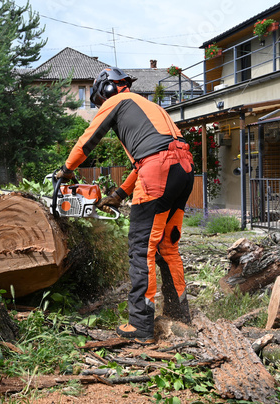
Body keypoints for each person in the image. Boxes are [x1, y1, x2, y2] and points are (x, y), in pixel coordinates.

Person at [56, 67, 194, 344]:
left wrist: (66, 170)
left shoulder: (117, 102)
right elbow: (151, 157)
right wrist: (119, 194)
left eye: (99, 99)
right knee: (167, 245)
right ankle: (180, 315)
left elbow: (88, 140)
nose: (100, 105)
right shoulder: (150, 108)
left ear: (106, 89)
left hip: (159, 169)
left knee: (141, 248)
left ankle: (141, 326)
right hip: (184, 168)